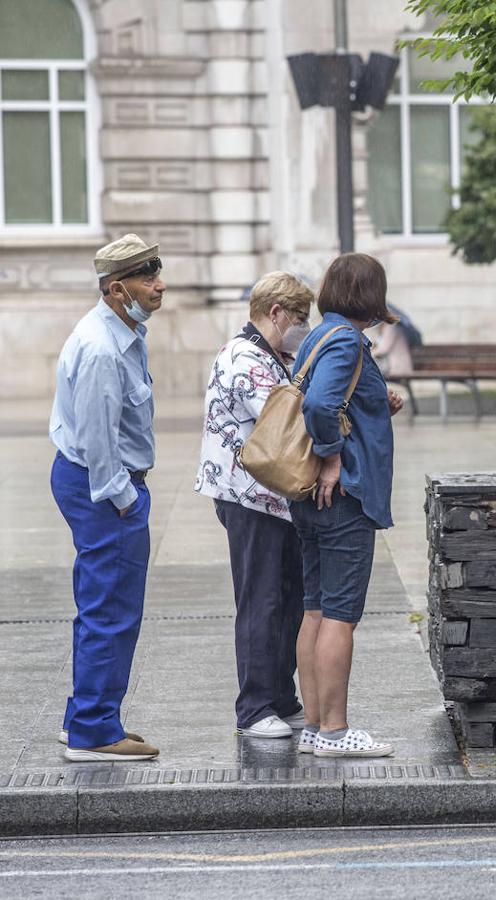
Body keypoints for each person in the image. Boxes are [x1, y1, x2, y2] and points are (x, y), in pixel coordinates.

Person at [49, 234, 166, 762]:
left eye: (157, 272)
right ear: (117, 289)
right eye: (147, 278)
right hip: (104, 489)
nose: (159, 285)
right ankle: (94, 732)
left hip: (95, 483)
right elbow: (100, 444)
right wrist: (127, 501)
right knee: (112, 610)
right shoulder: (101, 348)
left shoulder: (122, 328)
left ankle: (86, 715)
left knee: (99, 604)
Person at [292, 253, 406, 758]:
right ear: (371, 295)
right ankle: (336, 731)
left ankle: (314, 727)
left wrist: (377, 405)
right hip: (344, 494)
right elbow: (319, 406)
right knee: (340, 614)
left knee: (315, 609)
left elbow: (332, 400)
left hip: (312, 498)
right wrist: (332, 457)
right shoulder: (344, 340)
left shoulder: (319, 335)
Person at [195, 271, 315, 739]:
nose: (303, 326)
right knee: (261, 599)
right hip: (249, 499)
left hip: (274, 499)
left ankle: (281, 698)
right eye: (300, 317)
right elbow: (288, 418)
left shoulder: (272, 356)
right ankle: (254, 707)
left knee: (287, 599)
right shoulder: (244, 358)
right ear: (276, 312)